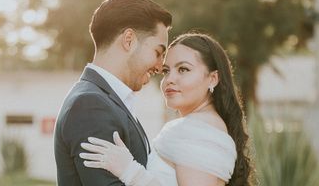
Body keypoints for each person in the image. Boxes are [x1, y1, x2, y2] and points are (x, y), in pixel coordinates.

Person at [79, 32, 255, 186]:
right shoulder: (206, 125)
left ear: (213, 79)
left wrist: (130, 172)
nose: (170, 79)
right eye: (166, 71)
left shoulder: (197, 129)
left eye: (183, 69)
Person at [53, 0, 172, 186]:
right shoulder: (90, 106)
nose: (160, 66)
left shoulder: (108, 100)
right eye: (158, 53)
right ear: (129, 40)